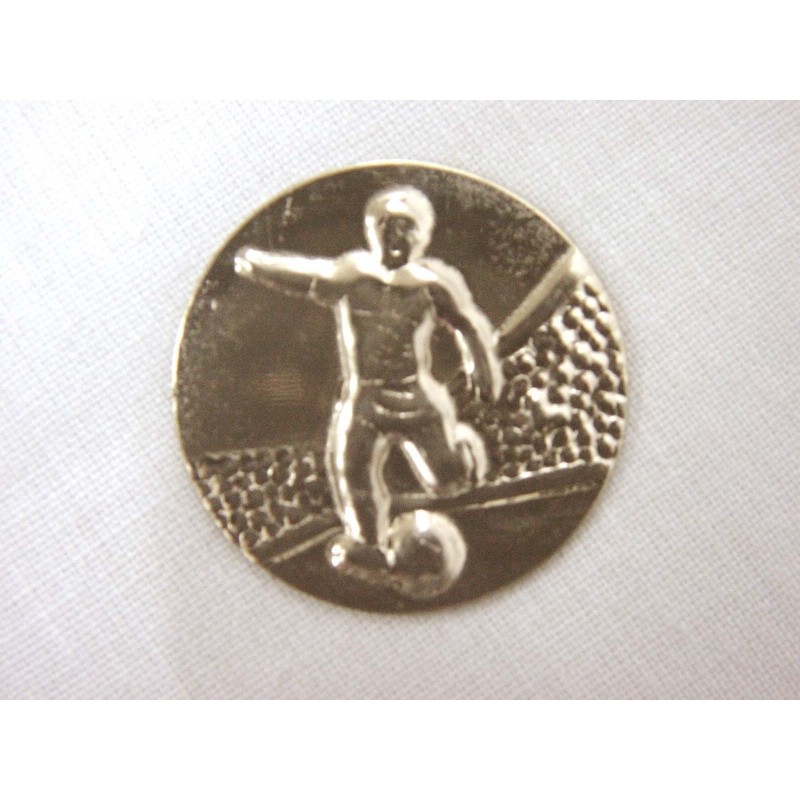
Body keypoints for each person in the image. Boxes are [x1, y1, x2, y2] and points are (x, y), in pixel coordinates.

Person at [234, 186, 503, 587]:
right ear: (374, 233)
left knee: (450, 481)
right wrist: (256, 264)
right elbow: (304, 277)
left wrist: (482, 369)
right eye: (388, 228)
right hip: (365, 399)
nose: (397, 238)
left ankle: (462, 458)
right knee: (351, 467)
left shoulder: (429, 285)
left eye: (407, 230)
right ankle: (367, 544)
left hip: (415, 397)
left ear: (420, 237)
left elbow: (466, 324)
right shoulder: (352, 277)